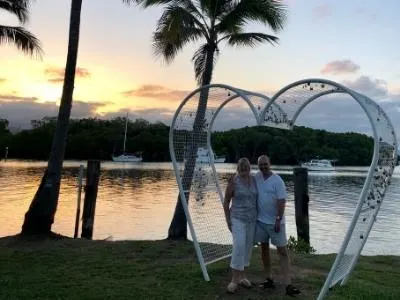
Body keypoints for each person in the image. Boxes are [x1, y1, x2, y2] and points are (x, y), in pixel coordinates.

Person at [254, 155, 300, 296]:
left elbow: (282, 201)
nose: (263, 167)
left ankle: (288, 285)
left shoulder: (277, 180)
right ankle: (269, 279)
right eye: (260, 164)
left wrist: (278, 220)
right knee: (264, 249)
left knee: (282, 252)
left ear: (270, 164)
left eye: (265, 164)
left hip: (276, 223)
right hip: (261, 222)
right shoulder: (257, 177)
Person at [223, 157, 257, 293]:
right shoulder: (233, 181)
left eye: (247, 168)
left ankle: (243, 276)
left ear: (250, 168)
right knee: (239, 246)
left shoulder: (254, 180)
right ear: (238, 169)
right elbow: (226, 202)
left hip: (251, 219)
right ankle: (234, 280)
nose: (244, 171)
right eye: (242, 168)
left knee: (248, 247)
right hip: (237, 218)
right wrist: (228, 221)